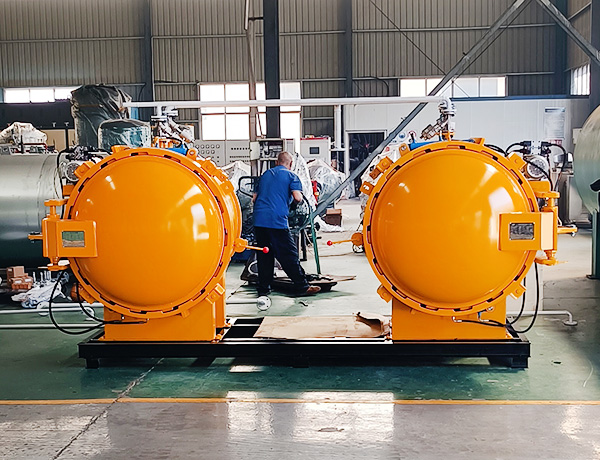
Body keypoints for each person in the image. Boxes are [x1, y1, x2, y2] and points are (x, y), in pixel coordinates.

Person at [252, 151, 321, 297]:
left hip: (259, 220)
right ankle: (302, 287)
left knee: (265, 253)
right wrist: (294, 203)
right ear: (291, 164)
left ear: (276, 162)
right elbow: (298, 197)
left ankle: (264, 288)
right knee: (288, 254)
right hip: (276, 220)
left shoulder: (265, 175)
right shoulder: (292, 176)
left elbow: (254, 198)